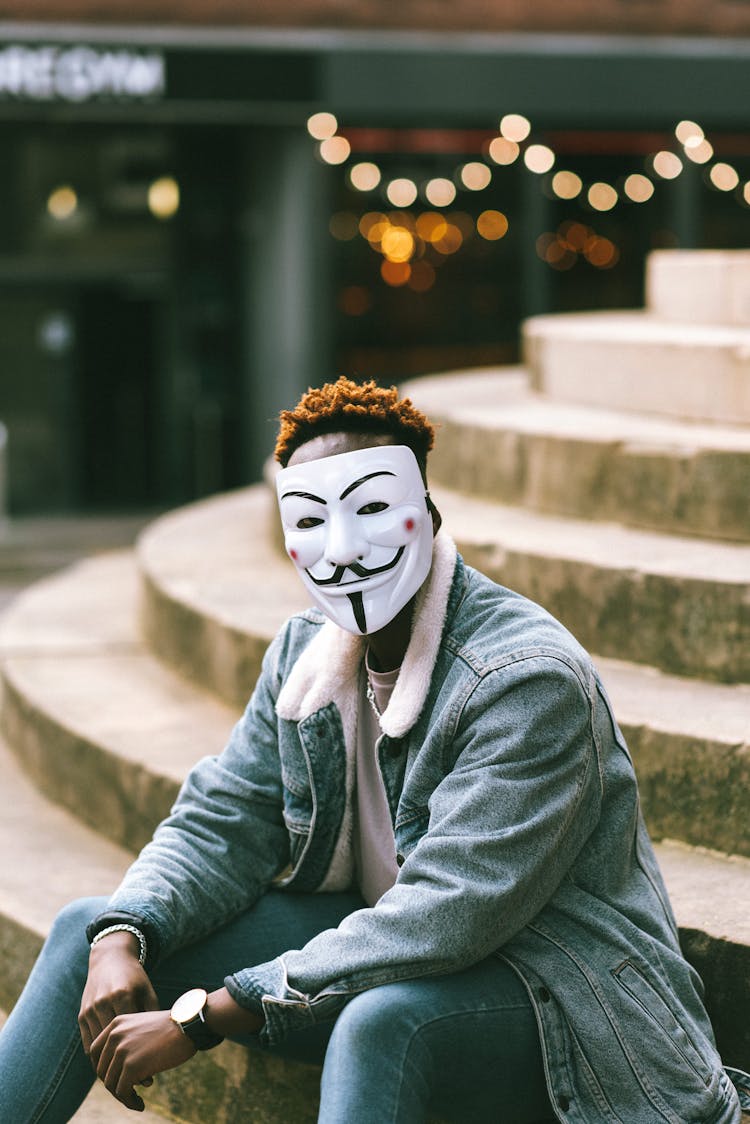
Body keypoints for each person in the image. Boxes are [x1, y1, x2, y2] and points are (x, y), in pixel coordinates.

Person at [0, 376, 746, 1124]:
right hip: (385, 963)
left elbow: (447, 913)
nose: (345, 549)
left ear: (428, 513)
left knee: (381, 1023)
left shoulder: (527, 680)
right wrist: (125, 934)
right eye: (313, 521)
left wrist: (208, 1016)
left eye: (372, 510)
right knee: (87, 932)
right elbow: (223, 820)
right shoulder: (307, 655)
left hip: (563, 1000)